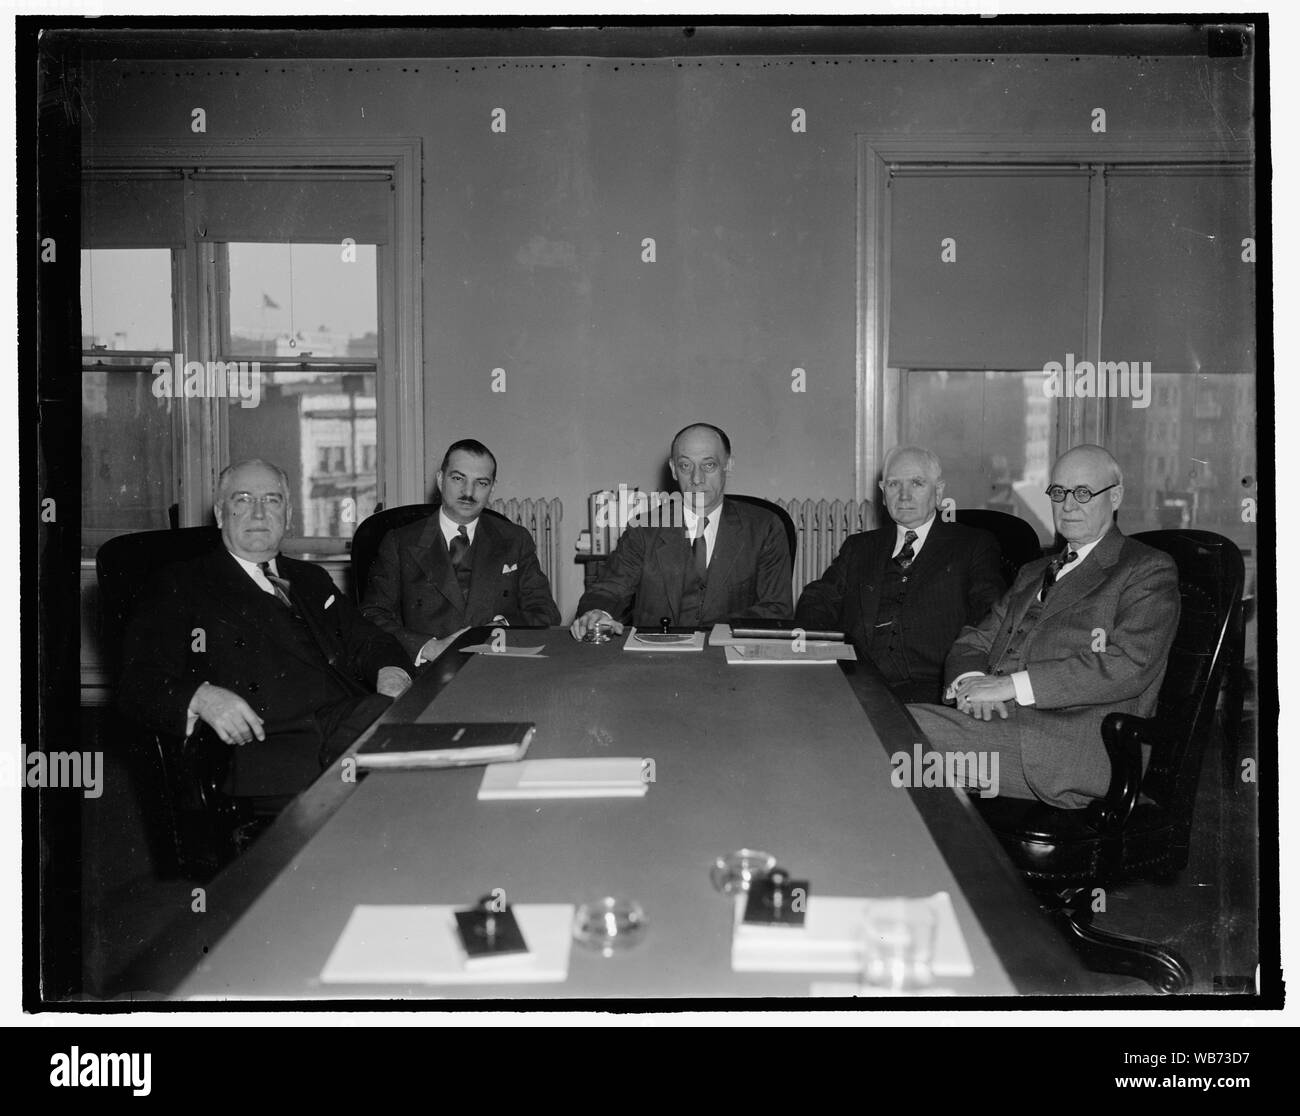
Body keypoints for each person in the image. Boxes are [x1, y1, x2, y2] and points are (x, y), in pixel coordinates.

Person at [118, 459, 413, 803]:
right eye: (243, 500)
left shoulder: (310, 578)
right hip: (273, 748)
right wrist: (202, 697)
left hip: (350, 722)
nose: (259, 514)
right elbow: (137, 684)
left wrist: (390, 672)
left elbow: (369, 639)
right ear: (219, 514)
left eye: (272, 500)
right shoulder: (181, 584)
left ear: (287, 516)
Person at [908, 444, 1180, 809]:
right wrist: (972, 687)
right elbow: (975, 639)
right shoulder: (1035, 572)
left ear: (1115, 497)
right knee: (886, 737)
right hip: (997, 727)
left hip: (1076, 749)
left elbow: (1128, 664)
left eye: (1083, 493)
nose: (1068, 505)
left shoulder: (1145, 569)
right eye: (1059, 492)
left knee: (891, 731)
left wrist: (1008, 686)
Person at [795, 445, 1004, 703]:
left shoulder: (972, 545)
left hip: (933, 691)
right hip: (858, 684)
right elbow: (818, 598)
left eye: (917, 483)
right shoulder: (859, 547)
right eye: (894, 485)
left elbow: (990, 617)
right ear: (883, 495)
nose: (904, 496)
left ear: (938, 492)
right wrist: (819, 652)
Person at [571, 423, 793, 638]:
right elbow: (608, 589)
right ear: (673, 470)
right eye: (686, 466)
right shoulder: (643, 529)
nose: (697, 479)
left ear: (728, 465)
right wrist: (598, 612)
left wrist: (710, 634)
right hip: (659, 658)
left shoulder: (765, 527)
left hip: (728, 656)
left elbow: (776, 608)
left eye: (709, 465)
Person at [361, 439, 561, 664]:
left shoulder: (514, 539)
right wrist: (428, 647)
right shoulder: (400, 542)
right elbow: (372, 615)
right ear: (440, 480)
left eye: (481, 483)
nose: (469, 492)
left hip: (496, 666)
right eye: (458, 479)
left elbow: (546, 612)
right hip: (429, 669)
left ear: (492, 488)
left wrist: (501, 627)